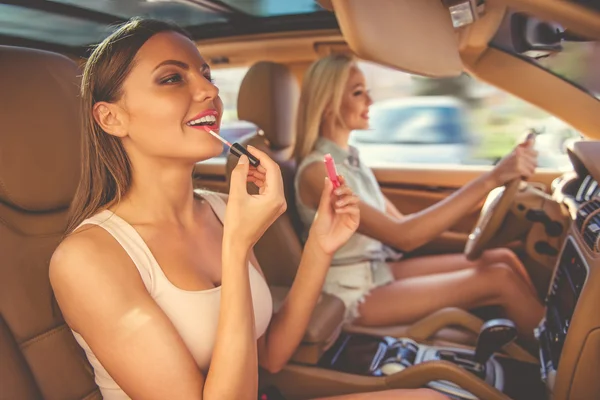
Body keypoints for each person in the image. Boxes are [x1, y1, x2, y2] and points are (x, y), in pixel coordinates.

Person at [48, 19, 447, 400]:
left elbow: (270, 356)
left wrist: (321, 247)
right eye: (172, 78)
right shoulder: (87, 258)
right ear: (112, 118)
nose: (208, 91)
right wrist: (236, 248)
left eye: (207, 75)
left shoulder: (222, 210)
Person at [293, 53, 545, 344]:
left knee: (503, 258)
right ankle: (567, 365)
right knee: (499, 279)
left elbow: (400, 222)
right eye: (358, 92)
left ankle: (544, 342)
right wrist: (492, 178)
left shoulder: (351, 160)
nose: (371, 102)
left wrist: (491, 187)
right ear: (328, 104)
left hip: (378, 271)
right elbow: (404, 236)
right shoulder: (316, 172)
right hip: (350, 291)